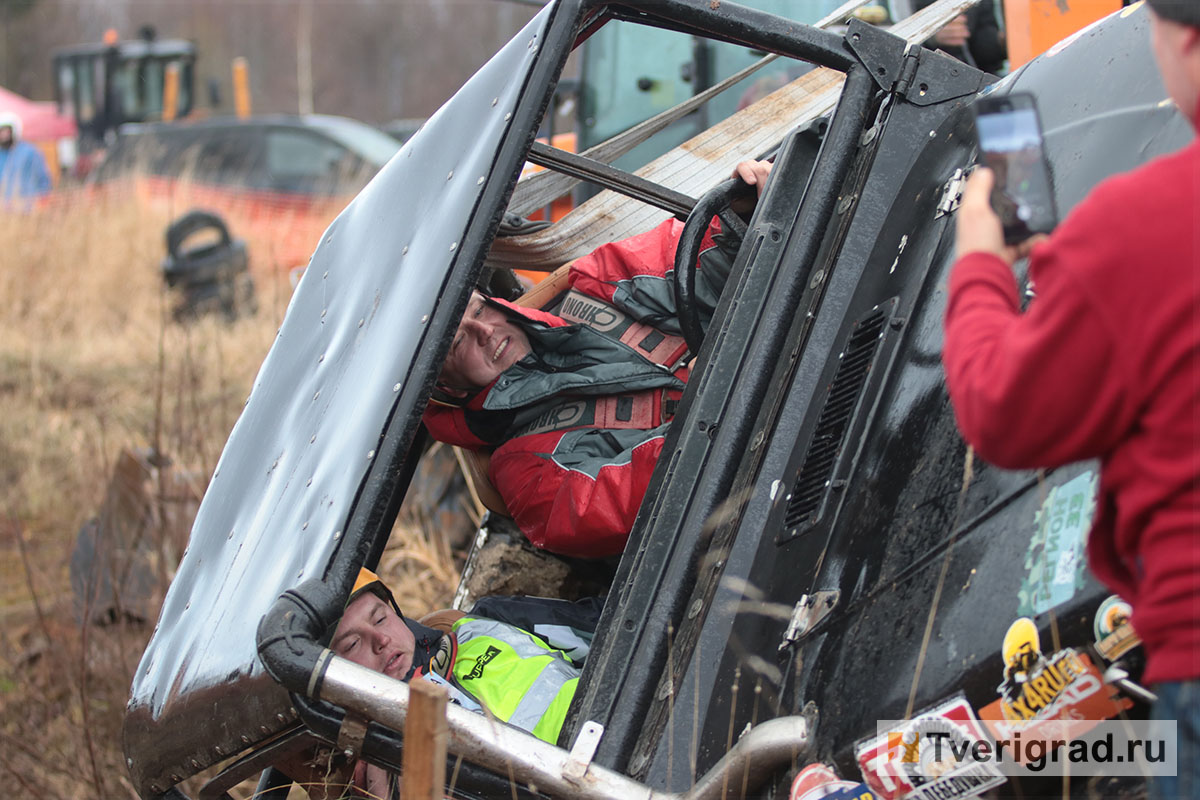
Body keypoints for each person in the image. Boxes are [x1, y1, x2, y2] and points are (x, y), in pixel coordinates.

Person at [942, 2, 1199, 797]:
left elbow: (1003, 413)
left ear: (1186, 37)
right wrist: (1078, 282)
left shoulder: (1144, 226)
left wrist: (982, 261)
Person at [423, 160, 773, 559]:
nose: (485, 332)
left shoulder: (594, 284)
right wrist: (709, 403)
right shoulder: (524, 473)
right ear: (445, 387)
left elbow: (691, 258)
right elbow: (643, 500)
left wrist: (740, 218)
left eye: (478, 310)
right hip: (754, 492)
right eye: (458, 342)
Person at [318, 569, 600, 798]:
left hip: (620, 731)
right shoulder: (384, 764)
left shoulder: (487, 622)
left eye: (380, 618)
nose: (381, 641)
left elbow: (609, 630)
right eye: (353, 643)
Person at [914, 0, 1007, 76]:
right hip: (926, 74)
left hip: (976, 77)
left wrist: (1002, 42)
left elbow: (980, 44)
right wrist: (929, 35)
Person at [0, 111, 52, 207]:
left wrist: (43, 198)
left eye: (6, 131)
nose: (3, 135)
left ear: (14, 130)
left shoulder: (30, 152)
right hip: (4, 208)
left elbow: (43, 179)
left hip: (28, 205)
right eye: (0, 132)